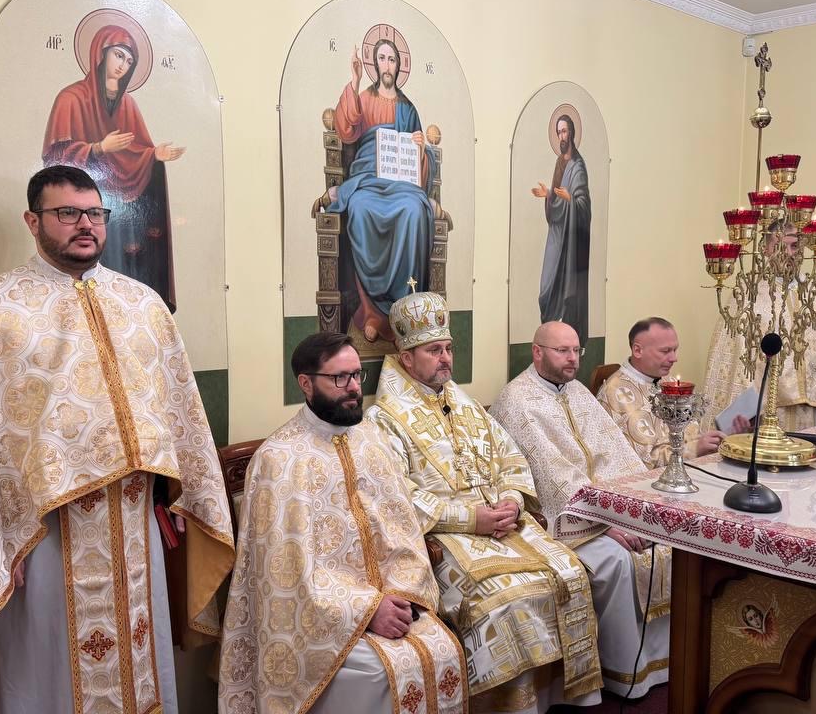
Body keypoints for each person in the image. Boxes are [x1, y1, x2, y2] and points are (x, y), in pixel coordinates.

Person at [0, 166, 235, 713]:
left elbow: (178, 412)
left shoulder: (143, 306)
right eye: (67, 213)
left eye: (94, 213)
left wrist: (183, 495)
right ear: (32, 221)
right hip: (42, 533)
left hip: (133, 522)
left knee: (138, 659)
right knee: (46, 670)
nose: (85, 225)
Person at [368, 287, 602, 713]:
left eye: (448, 348)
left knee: (571, 572)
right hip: (448, 537)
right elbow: (397, 497)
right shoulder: (382, 420)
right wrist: (471, 519)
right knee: (507, 600)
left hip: (505, 524)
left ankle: (559, 699)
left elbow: (511, 456)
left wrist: (513, 499)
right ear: (406, 359)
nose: (446, 359)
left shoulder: (466, 405)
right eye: (434, 350)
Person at [219, 332, 464, 714]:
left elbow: (404, 532)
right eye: (339, 378)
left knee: (444, 650)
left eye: (356, 375)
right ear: (306, 383)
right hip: (323, 621)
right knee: (378, 671)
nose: (353, 387)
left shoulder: (372, 441)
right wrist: (367, 611)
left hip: (395, 597)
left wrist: (403, 592)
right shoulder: (280, 460)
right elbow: (284, 578)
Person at [490, 321, 669, 699]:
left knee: (666, 538)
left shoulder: (579, 392)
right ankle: (624, 673)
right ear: (537, 352)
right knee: (616, 561)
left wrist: (635, 512)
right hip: (563, 519)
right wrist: (605, 525)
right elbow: (551, 478)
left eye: (576, 351)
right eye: (562, 351)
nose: (572, 359)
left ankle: (665, 660)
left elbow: (618, 454)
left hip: (607, 507)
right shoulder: (517, 401)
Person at [43, 23, 184, 311]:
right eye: (119, 55)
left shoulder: (127, 103)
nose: (123, 65)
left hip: (123, 209)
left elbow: (135, 151)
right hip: (86, 211)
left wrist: (154, 155)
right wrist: (98, 148)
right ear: (101, 53)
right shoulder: (71, 98)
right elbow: (54, 157)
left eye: (129, 61)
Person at [326, 38, 436, 344]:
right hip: (367, 176)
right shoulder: (364, 97)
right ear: (375, 64)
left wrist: (420, 149)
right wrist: (354, 80)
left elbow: (421, 161)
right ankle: (372, 312)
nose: (387, 65)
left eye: (392, 59)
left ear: (399, 66)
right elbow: (346, 130)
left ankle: (406, 310)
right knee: (359, 208)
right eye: (382, 59)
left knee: (415, 210)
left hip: (402, 182)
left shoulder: (408, 109)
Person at [703, 224, 816, 431]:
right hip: (765, 413)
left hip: (813, 413)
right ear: (765, 249)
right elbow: (733, 358)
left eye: (795, 246)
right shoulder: (747, 295)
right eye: (780, 247)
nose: (789, 253)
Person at [598, 318, 742, 469]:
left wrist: (725, 435)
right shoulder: (617, 393)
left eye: (675, 350)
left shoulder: (666, 380)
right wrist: (695, 449)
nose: (674, 358)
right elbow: (645, 460)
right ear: (638, 350)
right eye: (665, 351)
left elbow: (692, 432)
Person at [533, 114, 591, 342]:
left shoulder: (578, 166)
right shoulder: (560, 163)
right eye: (558, 132)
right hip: (556, 235)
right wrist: (549, 195)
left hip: (570, 242)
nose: (561, 137)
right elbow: (558, 198)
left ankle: (564, 340)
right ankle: (548, 337)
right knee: (546, 290)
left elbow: (583, 205)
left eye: (564, 131)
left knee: (567, 294)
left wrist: (571, 200)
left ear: (572, 133)